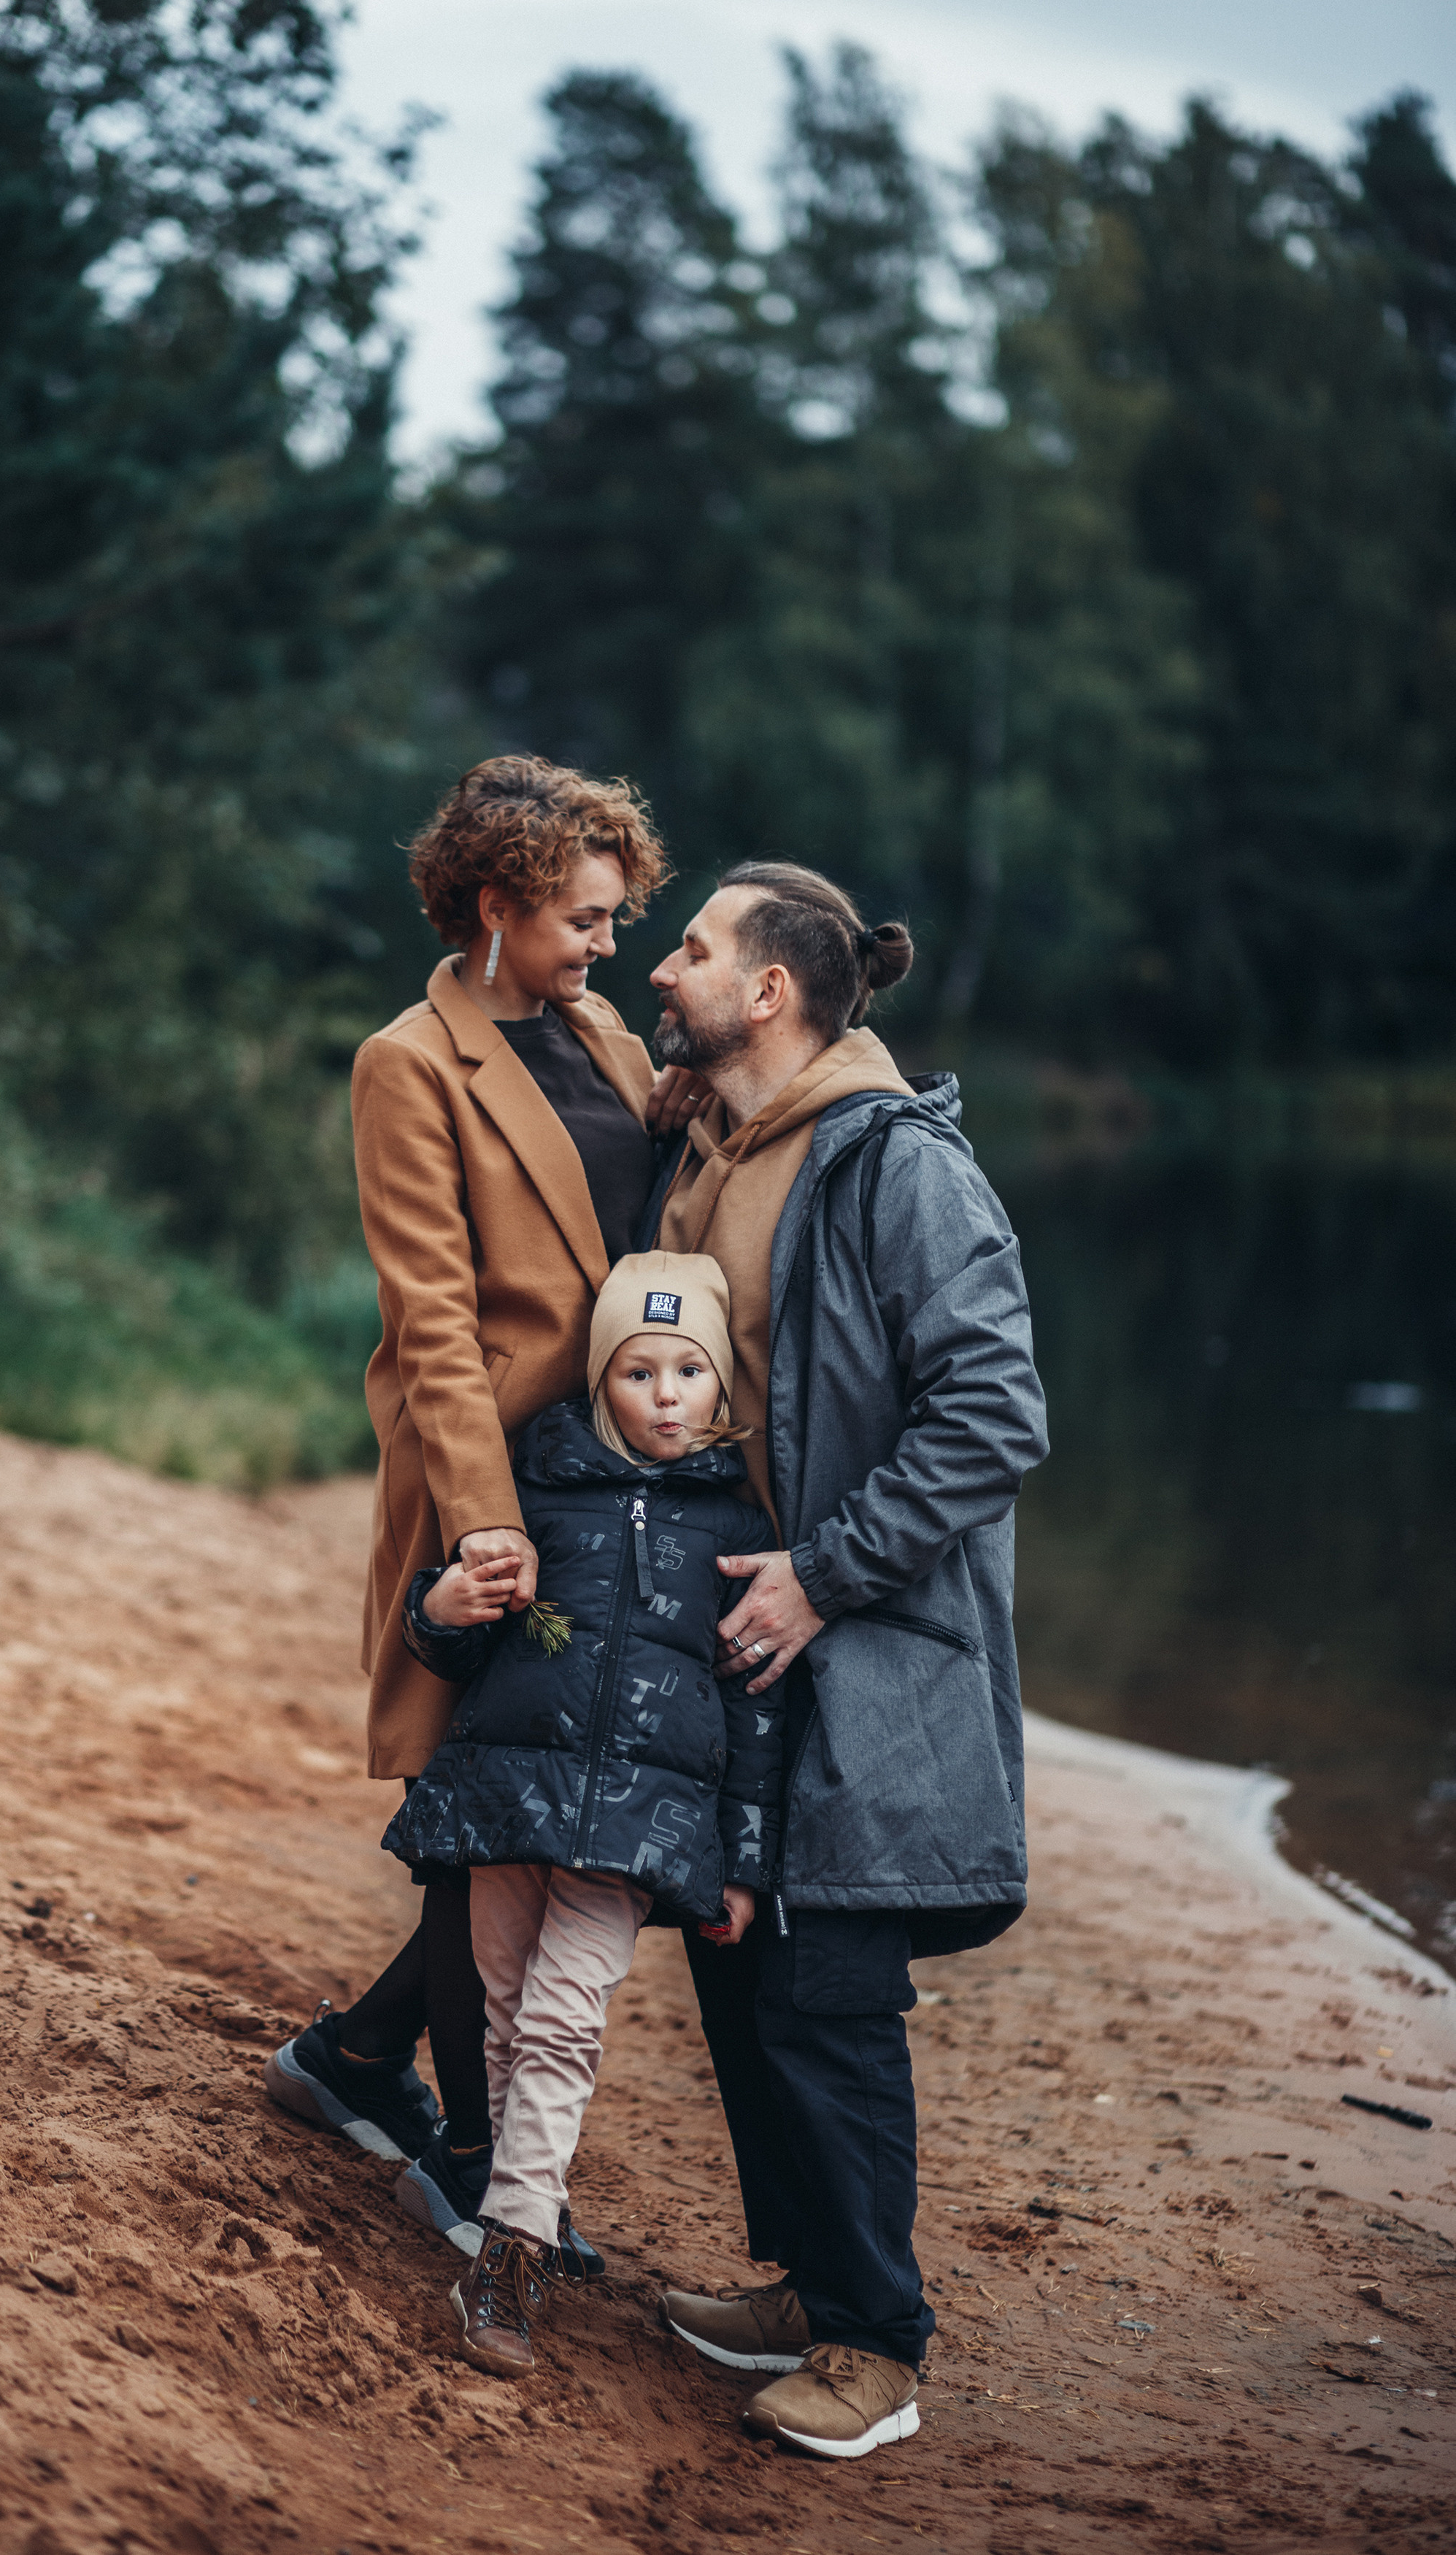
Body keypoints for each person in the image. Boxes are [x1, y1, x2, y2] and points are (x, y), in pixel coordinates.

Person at [642, 862, 1049, 2460]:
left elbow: (995, 1417)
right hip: (738, 1634)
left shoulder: (902, 1169)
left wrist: (823, 1572)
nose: (663, 964)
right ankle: (810, 2284)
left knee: (827, 1989)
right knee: (738, 1965)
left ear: (769, 992)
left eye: (692, 945)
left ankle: (879, 2346)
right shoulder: (717, 1141)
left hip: (861, 1642)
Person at [263, 756, 693, 2272]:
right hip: (492, 1478)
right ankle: (465, 2148)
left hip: (615, 1478)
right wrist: (484, 1523)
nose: (609, 946)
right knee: (481, 1815)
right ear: (496, 905)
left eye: (617, 917)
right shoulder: (408, 1063)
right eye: (584, 917)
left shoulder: (594, 1030)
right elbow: (432, 1320)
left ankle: (351, 2062)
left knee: (526, 1802)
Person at [383, 1251, 784, 2379]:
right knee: (506, 2022)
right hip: (510, 1795)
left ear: (721, 1387)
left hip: (635, 1829)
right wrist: (441, 1605)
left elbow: (756, 1707)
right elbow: (455, 1630)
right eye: (637, 1371)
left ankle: (505, 2258)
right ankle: (534, 2210)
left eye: (689, 1371)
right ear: (599, 1382)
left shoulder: (737, 1525)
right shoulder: (533, 1485)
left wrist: (741, 1864)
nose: (665, 1395)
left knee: (563, 2024)